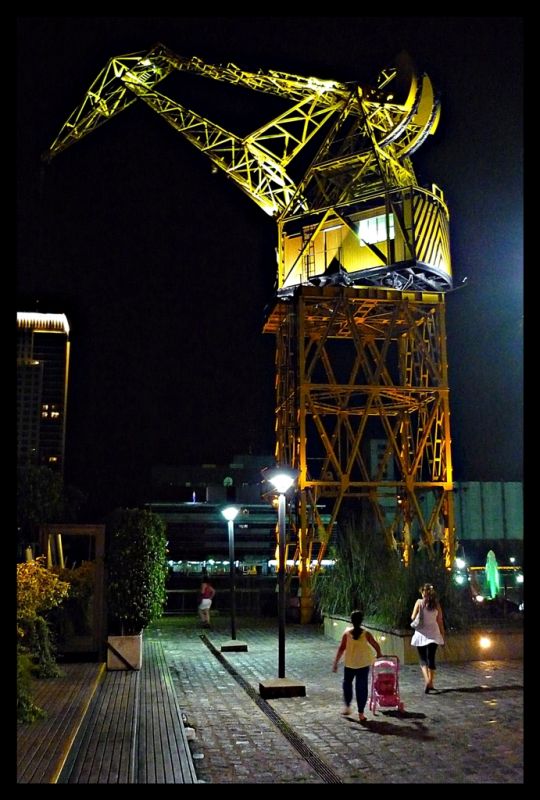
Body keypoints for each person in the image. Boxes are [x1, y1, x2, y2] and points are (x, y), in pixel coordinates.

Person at [332, 609, 382, 721]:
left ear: (351, 621)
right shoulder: (366, 633)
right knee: (362, 688)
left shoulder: (347, 634)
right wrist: (379, 653)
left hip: (349, 664)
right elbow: (375, 644)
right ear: (361, 621)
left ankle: (347, 705)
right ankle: (361, 713)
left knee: (347, 684)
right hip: (363, 664)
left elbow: (341, 648)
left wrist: (335, 663)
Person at [411, 583, 445, 693]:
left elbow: (412, 617)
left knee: (422, 658)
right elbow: (440, 621)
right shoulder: (436, 604)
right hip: (434, 633)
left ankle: (427, 680)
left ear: (422, 592)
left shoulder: (419, 602)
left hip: (421, 633)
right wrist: (442, 634)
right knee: (431, 657)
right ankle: (431, 682)